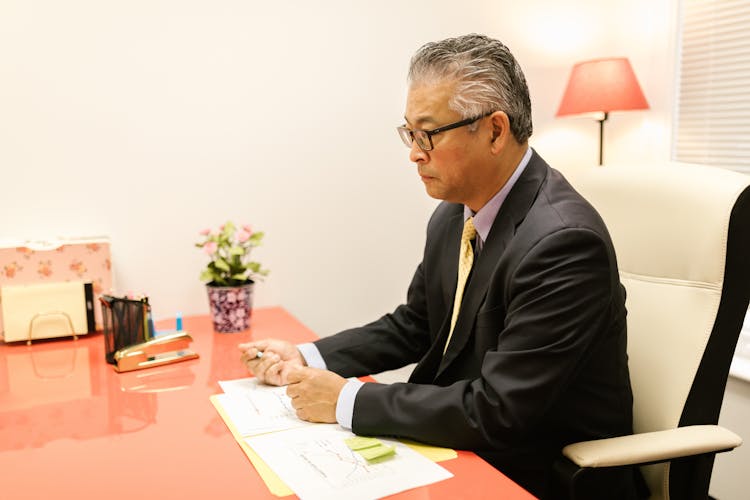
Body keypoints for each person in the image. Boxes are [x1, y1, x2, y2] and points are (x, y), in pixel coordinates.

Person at [239, 33, 640, 498]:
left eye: (427, 134)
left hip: (538, 473)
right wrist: (308, 356)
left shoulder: (563, 243)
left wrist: (347, 400)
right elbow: (416, 324)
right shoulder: (455, 212)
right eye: (410, 133)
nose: (414, 152)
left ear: (494, 130)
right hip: (465, 451)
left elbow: (500, 410)